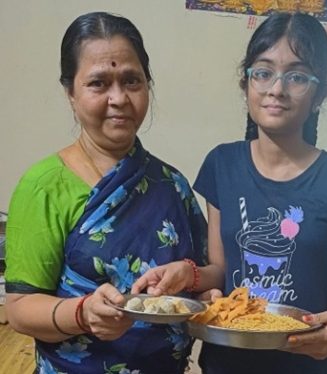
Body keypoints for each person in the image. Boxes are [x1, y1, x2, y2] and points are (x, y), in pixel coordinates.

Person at [5, 12, 223, 374]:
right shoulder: (43, 187)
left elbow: (212, 273)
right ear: (71, 93)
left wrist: (195, 285)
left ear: (147, 86)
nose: (119, 97)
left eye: (131, 80)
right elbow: (18, 309)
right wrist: (83, 313)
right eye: (98, 83)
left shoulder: (172, 184)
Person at [193, 12, 327, 374]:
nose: (277, 89)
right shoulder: (221, 164)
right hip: (226, 361)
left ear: (320, 94)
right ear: (246, 85)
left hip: (305, 365)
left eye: (297, 76)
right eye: (263, 72)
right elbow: (219, 270)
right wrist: (197, 286)